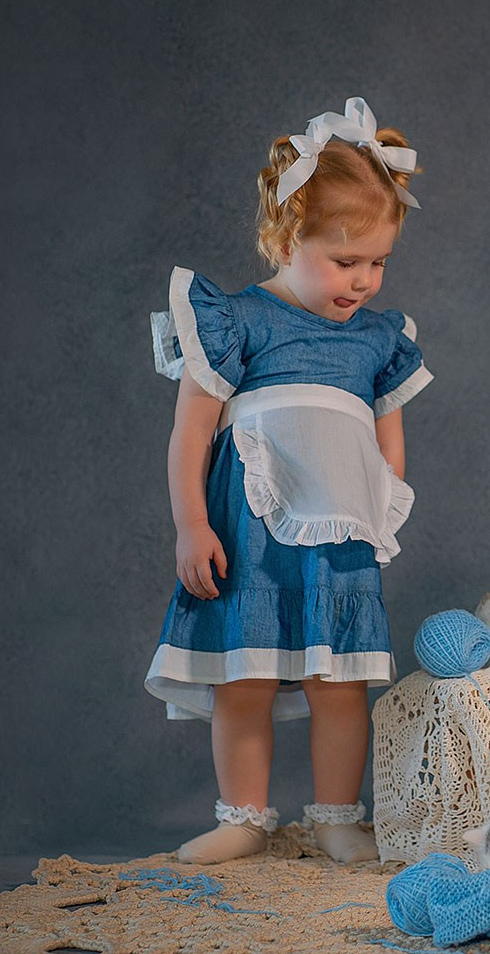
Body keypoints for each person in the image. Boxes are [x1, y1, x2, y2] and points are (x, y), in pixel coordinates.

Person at [144, 98, 432, 865]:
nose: (363, 280)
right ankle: (243, 817)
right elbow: (191, 432)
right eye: (345, 261)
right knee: (246, 677)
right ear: (286, 237)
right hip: (250, 534)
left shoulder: (378, 339)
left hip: (340, 537)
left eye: (378, 262)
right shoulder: (237, 321)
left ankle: (337, 816)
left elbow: (387, 441)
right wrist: (191, 525)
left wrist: (377, 508)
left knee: (340, 682)